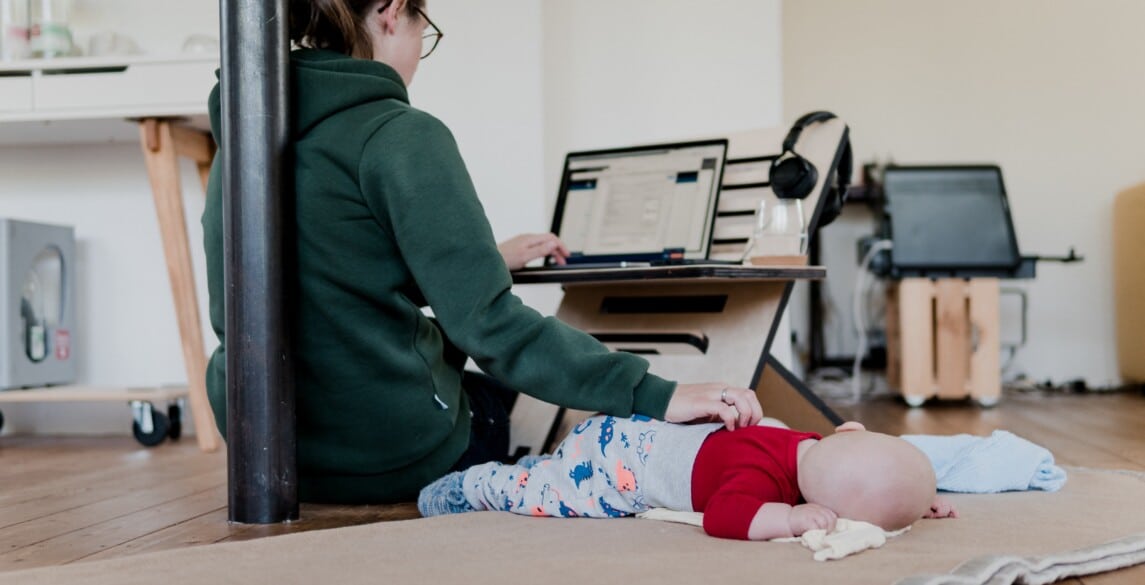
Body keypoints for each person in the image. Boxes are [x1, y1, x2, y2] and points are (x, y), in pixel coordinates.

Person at [200, 0, 763, 504]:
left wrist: (485, 258)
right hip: (383, 457)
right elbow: (490, 328)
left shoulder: (247, 136)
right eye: (427, 30)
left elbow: (334, 268)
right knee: (496, 399)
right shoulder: (398, 132)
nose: (421, 51)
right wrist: (654, 393)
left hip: (270, 453)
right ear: (393, 12)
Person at [418, 418, 958, 540]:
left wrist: (920, 500)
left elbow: (869, 471)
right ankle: (475, 485)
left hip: (624, 434)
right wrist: (789, 518)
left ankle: (541, 466)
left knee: (554, 468)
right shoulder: (758, 480)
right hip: (614, 471)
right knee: (547, 498)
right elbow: (724, 518)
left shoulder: (807, 440)